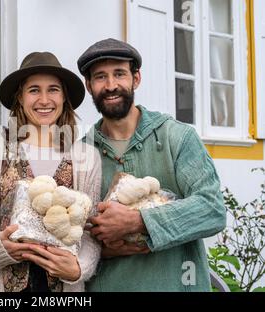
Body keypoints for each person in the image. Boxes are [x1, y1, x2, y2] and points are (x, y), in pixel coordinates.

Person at [77, 38, 226, 291]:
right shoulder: (80, 154)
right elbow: (74, 237)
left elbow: (212, 210)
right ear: (89, 86)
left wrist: (138, 221)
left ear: (136, 79)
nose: (111, 85)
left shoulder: (176, 137)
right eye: (100, 77)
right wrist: (103, 247)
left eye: (120, 74)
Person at [0, 51, 102, 292]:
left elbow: (90, 232)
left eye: (53, 89)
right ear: (20, 97)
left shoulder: (87, 157)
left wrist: (77, 268)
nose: (44, 100)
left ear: (64, 97)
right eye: (34, 90)